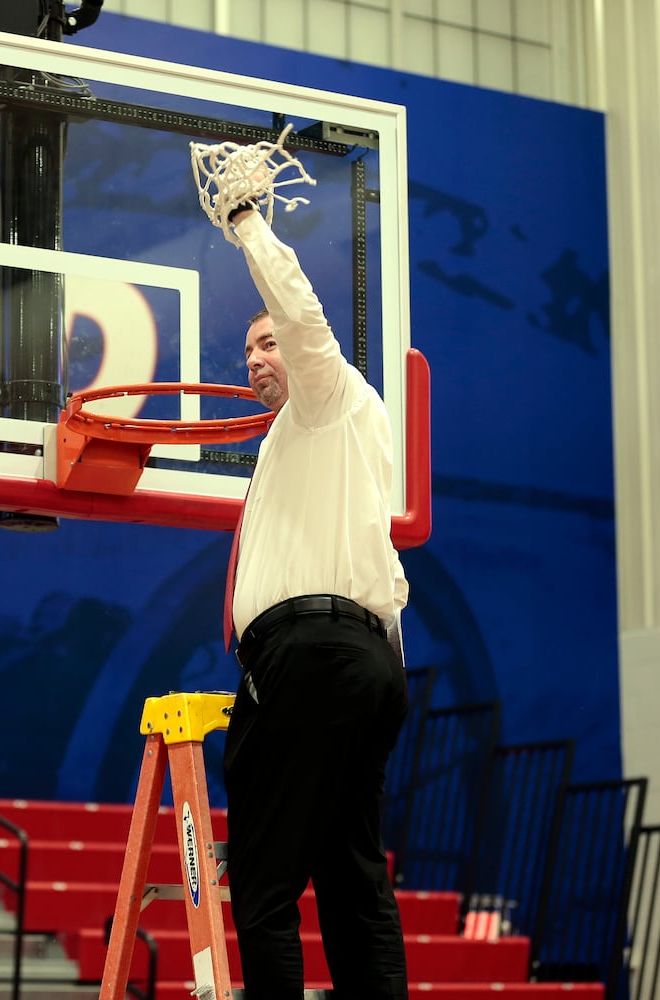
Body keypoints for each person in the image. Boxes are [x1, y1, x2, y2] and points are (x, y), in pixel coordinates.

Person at [219, 199, 411, 1000]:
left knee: (263, 886)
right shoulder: (304, 439)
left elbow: (301, 314)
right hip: (367, 666)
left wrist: (247, 224)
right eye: (248, 350)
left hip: (310, 659)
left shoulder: (328, 397)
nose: (255, 359)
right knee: (351, 884)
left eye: (267, 344)